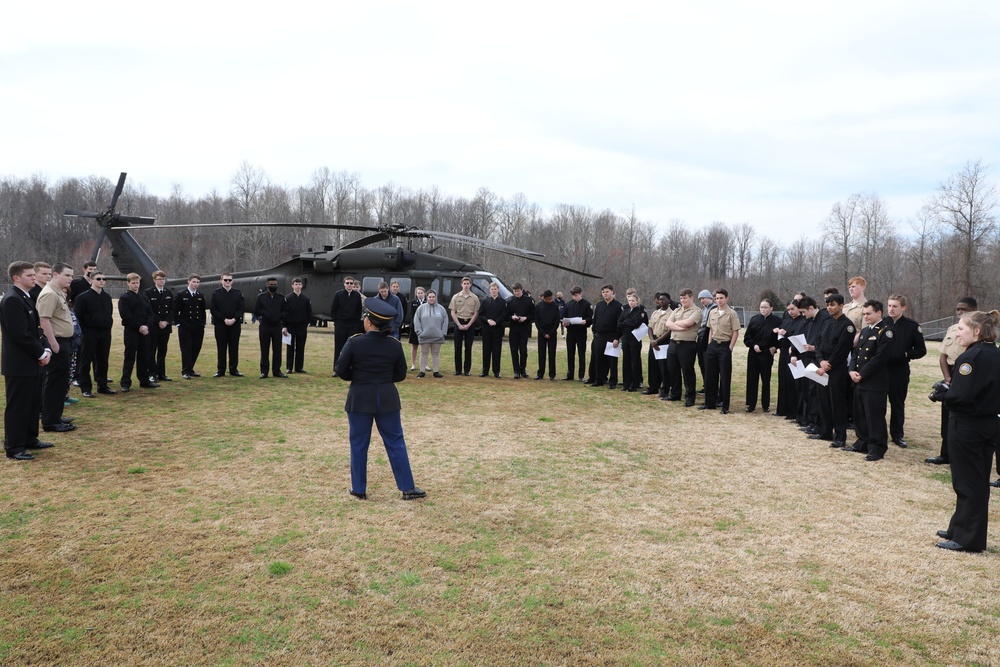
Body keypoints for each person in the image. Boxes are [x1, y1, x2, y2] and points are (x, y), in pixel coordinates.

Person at [334, 297, 426, 501]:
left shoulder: (355, 342)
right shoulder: (393, 345)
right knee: (395, 442)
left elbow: (340, 369)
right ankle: (408, 488)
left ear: (369, 321)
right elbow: (400, 374)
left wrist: (357, 378)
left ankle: (358, 488)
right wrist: (383, 380)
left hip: (359, 398)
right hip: (386, 398)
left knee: (358, 444)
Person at [936, 309, 1000, 552]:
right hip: (988, 423)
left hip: (967, 425)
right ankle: (959, 528)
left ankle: (968, 539)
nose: (957, 333)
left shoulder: (970, 357)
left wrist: (944, 393)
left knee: (967, 482)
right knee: (977, 479)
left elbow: (961, 395)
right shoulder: (995, 354)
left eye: (961, 328)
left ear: (977, 331)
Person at [2, 261, 53, 460]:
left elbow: (37, 329)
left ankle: (30, 439)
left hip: (33, 362)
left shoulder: (27, 297)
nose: (34, 278)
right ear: (16, 278)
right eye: (30, 275)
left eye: (34, 275)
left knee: (33, 403)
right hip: (20, 364)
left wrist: (46, 348)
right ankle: (14, 447)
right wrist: (41, 354)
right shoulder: (12, 300)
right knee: (18, 406)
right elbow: (20, 335)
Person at [927, 298, 977, 465]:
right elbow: (943, 356)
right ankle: (945, 454)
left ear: (974, 310)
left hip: (968, 374)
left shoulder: (977, 331)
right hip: (950, 373)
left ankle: (961, 456)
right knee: (947, 416)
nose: (960, 312)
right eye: (958, 309)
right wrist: (948, 379)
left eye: (964, 309)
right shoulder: (952, 329)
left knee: (963, 419)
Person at [846, 300, 894, 461]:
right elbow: (856, 353)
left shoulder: (886, 332)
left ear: (879, 313)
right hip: (859, 380)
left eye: (868, 314)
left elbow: (879, 358)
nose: (865, 317)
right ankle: (863, 441)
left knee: (874, 415)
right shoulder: (866, 331)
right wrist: (851, 370)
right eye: (864, 314)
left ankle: (877, 447)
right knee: (860, 414)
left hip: (874, 381)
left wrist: (862, 374)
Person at [814, 293, 856, 448]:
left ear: (841, 305)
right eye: (828, 305)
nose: (830, 308)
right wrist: (821, 361)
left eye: (833, 305)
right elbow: (818, 343)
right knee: (823, 400)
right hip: (823, 366)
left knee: (837, 403)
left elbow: (842, 349)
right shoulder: (826, 322)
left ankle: (840, 436)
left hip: (837, 369)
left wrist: (828, 363)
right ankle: (825, 431)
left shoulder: (847, 325)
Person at [885, 294, 926, 448]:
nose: (891, 309)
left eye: (895, 306)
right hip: (881, 370)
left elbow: (921, 350)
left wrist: (905, 354)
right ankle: (878, 433)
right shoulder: (882, 323)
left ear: (903, 307)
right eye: (889, 305)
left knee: (897, 404)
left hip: (899, 370)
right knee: (878, 403)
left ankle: (897, 435)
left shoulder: (912, 326)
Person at [74, 270, 115, 397]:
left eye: (103, 279)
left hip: (105, 333)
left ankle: (102, 386)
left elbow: (109, 314)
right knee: (86, 361)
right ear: (91, 280)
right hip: (89, 333)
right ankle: (85, 388)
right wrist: (84, 332)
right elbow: (78, 316)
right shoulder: (83, 297)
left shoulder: (107, 297)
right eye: (98, 279)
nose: (102, 281)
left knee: (103, 360)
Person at [700, 288, 740, 413]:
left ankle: (725, 406)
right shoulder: (712, 312)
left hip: (724, 346)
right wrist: (709, 343)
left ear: (727, 298)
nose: (719, 300)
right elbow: (710, 329)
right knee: (710, 376)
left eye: (721, 298)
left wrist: (730, 348)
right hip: (713, 346)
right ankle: (709, 403)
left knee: (725, 376)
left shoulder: (732, 313)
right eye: (717, 298)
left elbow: (735, 331)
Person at [118, 273, 158, 392]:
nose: (136, 285)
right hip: (132, 332)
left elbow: (150, 314)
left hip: (145, 332)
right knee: (129, 357)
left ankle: (144, 380)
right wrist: (139, 326)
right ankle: (125, 382)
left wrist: (147, 326)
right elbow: (125, 315)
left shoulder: (144, 298)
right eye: (133, 283)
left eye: (137, 283)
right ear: (128, 283)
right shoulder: (125, 298)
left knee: (144, 357)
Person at [662, 288, 701, 406]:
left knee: (687, 371)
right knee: (673, 370)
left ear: (691, 298)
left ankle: (689, 397)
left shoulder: (697, 311)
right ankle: (675, 394)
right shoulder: (677, 310)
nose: (683, 300)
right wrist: (680, 327)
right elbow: (668, 323)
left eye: (685, 298)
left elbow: (688, 323)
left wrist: (676, 324)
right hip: (673, 343)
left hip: (687, 344)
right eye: (681, 298)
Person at [743, 298, 780, 412]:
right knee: (752, 378)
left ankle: (765, 405)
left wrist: (775, 347)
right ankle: (751, 404)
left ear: (771, 308)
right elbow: (747, 338)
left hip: (767, 353)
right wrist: (753, 345)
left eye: (765, 307)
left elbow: (780, 338)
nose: (763, 309)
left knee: (766, 379)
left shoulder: (777, 321)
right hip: (754, 353)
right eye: (761, 307)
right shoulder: (754, 320)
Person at [210, 273, 245, 377]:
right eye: (225, 280)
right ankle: (221, 370)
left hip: (235, 325)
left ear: (232, 281)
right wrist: (224, 319)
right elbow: (213, 309)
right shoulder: (215, 294)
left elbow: (241, 309)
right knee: (221, 347)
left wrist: (234, 319)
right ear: (221, 281)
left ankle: (233, 369)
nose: (227, 282)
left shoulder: (238, 294)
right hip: (221, 325)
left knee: (234, 347)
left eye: (229, 280)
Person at [254, 277, 288, 379]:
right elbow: (256, 310)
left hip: (277, 326)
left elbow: (286, 311)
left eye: (275, 285)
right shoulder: (261, 297)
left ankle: (277, 371)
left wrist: (280, 316)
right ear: (267, 285)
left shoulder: (281, 298)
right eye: (271, 285)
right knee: (264, 349)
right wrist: (265, 314)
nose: (273, 286)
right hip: (265, 326)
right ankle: (264, 371)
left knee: (277, 349)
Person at [174, 275, 207, 379]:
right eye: (194, 282)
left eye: (197, 282)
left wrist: (203, 323)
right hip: (185, 326)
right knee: (186, 349)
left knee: (196, 347)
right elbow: (175, 310)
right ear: (188, 281)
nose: (196, 284)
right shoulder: (181, 294)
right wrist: (178, 323)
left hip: (197, 326)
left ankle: (191, 369)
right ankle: (185, 371)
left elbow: (202, 311)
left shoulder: (200, 295)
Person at [145, 270, 174, 383]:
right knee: (151, 351)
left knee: (163, 350)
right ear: (154, 280)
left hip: (165, 326)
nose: (161, 281)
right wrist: (159, 321)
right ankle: (152, 373)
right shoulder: (148, 292)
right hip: (154, 326)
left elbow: (172, 309)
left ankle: (161, 373)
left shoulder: (168, 292)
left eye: (163, 279)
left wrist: (166, 321)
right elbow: (149, 310)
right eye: (159, 279)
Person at [331, 277, 363, 375]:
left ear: (353, 285)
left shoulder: (357, 296)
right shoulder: (338, 294)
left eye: (351, 283)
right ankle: (337, 369)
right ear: (344, 284)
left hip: (352, 325)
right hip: (341, 324)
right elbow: (334, 309)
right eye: (347, 283)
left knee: (351, 347)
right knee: (339, 347)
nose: (349, 285)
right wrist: (336, 322)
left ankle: (351, 368)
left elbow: (359, 311)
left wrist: (356, 323)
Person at [412, 290, 448, 378]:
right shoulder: (421, 308)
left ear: (436, 298)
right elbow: (416, 320)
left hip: (437, 337)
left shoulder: (441, 309)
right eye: (430, 297)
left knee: (435, 354)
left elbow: (445, 321)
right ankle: (422, 371)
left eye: (433, 297)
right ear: (427, 297)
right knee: (424, 353)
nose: (431, 298)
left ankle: (436, 372)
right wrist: (419, 332)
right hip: (424, 336)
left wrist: (443, 333)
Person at [617, 292, 647, 392]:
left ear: (637, 301)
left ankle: (634, 384)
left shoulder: (640, 311)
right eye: (629, 300)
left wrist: (626, 322)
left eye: (633, 300)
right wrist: (627, 322)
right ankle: (626, 383)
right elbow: (619, 323)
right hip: (625, 337)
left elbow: (636, 323)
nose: (631, 302)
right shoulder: (625, 311)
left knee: (634, 361)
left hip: (635, 338)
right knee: (626, 360)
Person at [644, 293, 673, 396]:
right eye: (660, 300)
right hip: (653, 340)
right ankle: (653, 387)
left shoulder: (672, 314)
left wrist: (658, 341)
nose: (661, 301)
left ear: (669, 301)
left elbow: (669, 331)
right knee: (652, 365)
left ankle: (665, 389)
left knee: (663, 367)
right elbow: (650, 327)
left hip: (664, 341)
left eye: (664, 300)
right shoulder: (655, 313)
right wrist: (652, 340)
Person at [562, 285, 592, 381]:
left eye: (577, 295)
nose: (575, 297)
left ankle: (581, 375)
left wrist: (586, 321)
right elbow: (564, 317)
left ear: (581, 294)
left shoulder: (587, 304)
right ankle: (570, 374)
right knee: (570, 353)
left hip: (581, 332)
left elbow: (590, 318)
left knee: (581, 353)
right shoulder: (568, 304)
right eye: (573, 296)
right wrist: (564, 323)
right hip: (570, 332)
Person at [479, 282, 507, 378]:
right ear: (489, 290)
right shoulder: (485, 301)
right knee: (486, 350)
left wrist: (496, 322)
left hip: (497, 329)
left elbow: (504, 315)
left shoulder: (502, 302)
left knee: (496, 350)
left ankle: (496, 371)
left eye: (495, 289)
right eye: (492, 289)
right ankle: (485, 370)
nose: (493, 291)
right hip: (486, 329)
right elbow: (481, 314)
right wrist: (487, 320)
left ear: (498, 290)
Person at [506, 283, 534, 378]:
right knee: (514, 350)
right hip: (513, 328)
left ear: (522, 290)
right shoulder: (510, 301)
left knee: (523, 350)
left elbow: (533, 315)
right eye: (514, 291)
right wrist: (512, 317)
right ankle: (516, 370)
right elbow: (506, 315)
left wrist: (525, 318)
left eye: (518, 291)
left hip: (524, 328)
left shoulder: (528, 300)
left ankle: (523, 369)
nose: (516, 293)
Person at [284, 278, 312, 373]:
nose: (298, 286)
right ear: (292, 285)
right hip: (290, 326)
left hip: (301, 326)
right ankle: (289, 367)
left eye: (299, 284)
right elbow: (284, 313)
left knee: (300, 347)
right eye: (296, 284)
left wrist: (306, 323)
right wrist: (284, 326)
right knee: (290, 347)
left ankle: (299, 367)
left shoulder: (306, 299)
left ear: (302, 286)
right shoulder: (287, 299)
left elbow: (309, 313)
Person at [534, 290, 561, 380]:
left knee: (552, 354)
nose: (551, 300)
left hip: (552, 333)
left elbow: (557, 321)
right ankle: (540, 373)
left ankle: (552, 374)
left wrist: (550, 333)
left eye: (551, 298)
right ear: (544, 298)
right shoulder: (538, 307)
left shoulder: (555, 306)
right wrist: (542, 333)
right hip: (542, 333)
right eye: (549, 299)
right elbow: (537, 321)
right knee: (541, 354)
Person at [695, 289, 717, 394]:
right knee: (702, 363)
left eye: (703, 298)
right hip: (700, 338)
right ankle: (706, 385)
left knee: (708, 364)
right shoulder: (703, 310)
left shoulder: (714, 308)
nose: (702, 300)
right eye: (700, 299)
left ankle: (712, 388)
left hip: (707, 338)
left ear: (709, 298)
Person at [407, 286, 426, 371]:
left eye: (421, 293)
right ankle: (413, 364)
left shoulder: (427, 302)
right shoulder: (413, 302)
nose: (420, 295)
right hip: (415, 326)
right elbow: (412, 314)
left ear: (424, 293)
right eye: (418, 293)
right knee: (414, 346)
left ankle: (425, 364)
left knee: (425, 347)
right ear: (416, 294)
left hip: (426, 327)